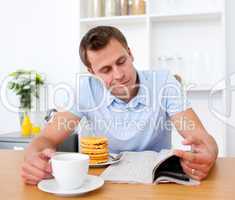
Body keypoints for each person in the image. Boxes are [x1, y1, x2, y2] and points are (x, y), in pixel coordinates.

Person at [21, 26, 218, 185]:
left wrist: (208, 152)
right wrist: (34, 159)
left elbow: (201, 138)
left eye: (121, 62)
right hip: (100, 184)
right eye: (105, 69)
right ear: (92, 71)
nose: (118, 75)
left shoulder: (164, 82)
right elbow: (45, 138)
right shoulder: (85, 90)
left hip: (156, 183)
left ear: (130, 54)